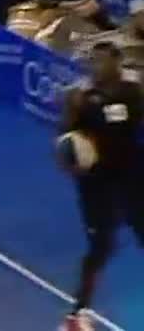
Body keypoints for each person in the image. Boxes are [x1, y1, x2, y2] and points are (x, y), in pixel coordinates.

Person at [59, 43, 144, 331]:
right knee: (101, 247)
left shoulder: (133, 93)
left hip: (132, 179)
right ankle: (77, 313)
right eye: (93, 61)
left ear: (117, 62)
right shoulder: (80, 98)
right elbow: (64, 142)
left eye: (103, 61)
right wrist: (73, 164)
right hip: (96, 186)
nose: (96, 67)